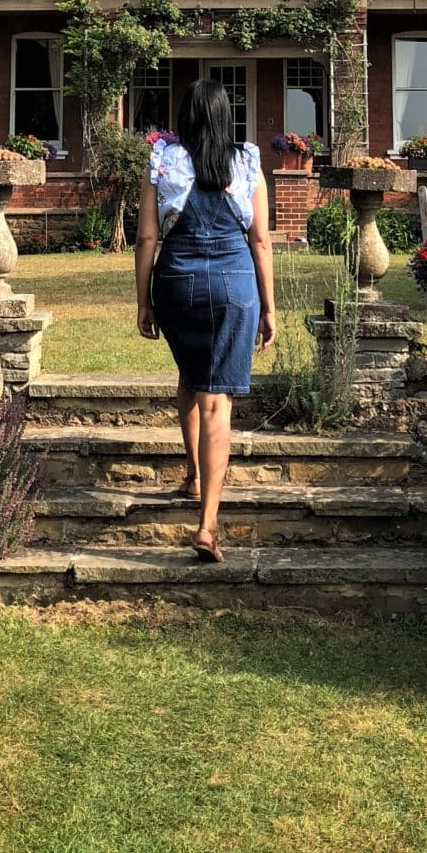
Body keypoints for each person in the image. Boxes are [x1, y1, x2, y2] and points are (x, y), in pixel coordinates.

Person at [134, 80, 276, 561]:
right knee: (216, 399)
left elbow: (147, 238)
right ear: (225, 117)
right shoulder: (248, 160)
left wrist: (142, 301)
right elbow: (260, 240)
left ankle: (193, 474)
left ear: (186, 116)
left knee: (191, 376)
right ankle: (208, 527)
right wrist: (270, 306)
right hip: (235, 282)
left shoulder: (162, 160)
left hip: (176, 280)